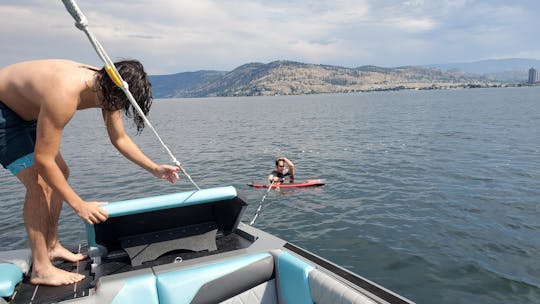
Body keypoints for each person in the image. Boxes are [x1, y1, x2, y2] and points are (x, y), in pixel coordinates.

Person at [0, 59, 180, 286]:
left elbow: (119, 138)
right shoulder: (65, 92)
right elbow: (43, 160)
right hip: (3, 111)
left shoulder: (111, 84)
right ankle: (42, 269)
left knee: (61, 173)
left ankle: (52, 246)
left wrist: (154, 168)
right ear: (109, 89)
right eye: (119, 102)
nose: (117, 107)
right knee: (40, 183)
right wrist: (79, 205)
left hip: (26, 111)